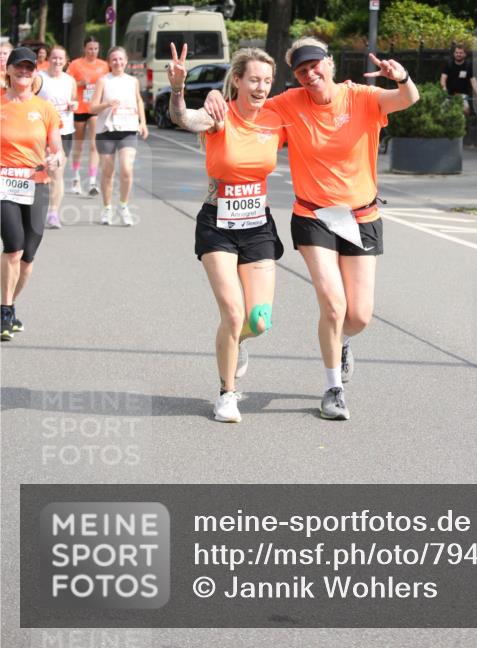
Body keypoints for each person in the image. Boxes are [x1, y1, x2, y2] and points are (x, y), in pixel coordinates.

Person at [206, 37, 419, 421]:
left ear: (330, 63)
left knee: (359, 316)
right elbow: (246, 108)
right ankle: (333, 389)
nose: (310, 74)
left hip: (362, 216)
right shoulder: (287, 104)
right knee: (333, 304)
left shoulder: (363, 97)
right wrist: (212, 98)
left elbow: (408, 99)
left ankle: (343, 342)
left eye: (315, 66)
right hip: (314, 215)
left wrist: (401, 76)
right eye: (301, 71)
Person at [168, 43, 284, 424]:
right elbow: (183, 118)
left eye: (267, 80)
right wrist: (178, 88)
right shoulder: (220, 115)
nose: (261, 87)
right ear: (237, 80)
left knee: (259, 321)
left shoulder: (275, 118)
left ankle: (235, 345)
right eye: (253, 79)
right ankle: (226, 394)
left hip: (257, 227)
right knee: (233, 314)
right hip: (217, 224)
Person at [1, 47, 63, 340]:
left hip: (36, 183)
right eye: (19, 67)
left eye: (29, 68)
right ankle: (4, 311)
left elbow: (57, 148)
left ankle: (9, 305)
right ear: (9, 71)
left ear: (34, 72)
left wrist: (56, 159)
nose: (24, 72)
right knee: (12, 247)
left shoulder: (45, 109)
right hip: (4, 183)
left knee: (28, 256)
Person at [89, 46, 148, 227]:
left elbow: (138, 100)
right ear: (109, 62)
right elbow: (92, 108)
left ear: (126, 61)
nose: (118, 62)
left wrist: (143, 122)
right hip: (106, 131)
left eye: (121, 59)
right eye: (114, 59)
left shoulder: (132, 81)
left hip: (128, 129)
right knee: (108, 172)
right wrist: (107, 104)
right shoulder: (103, 81)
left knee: (126, 169)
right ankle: (107, 208)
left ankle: (123, 205)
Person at [38, 46, 78, 229]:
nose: (57, 61)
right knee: (42, 172)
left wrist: (73, 105)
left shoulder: (70, 80)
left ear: (66, 60)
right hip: (42, 132)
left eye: (60, 58)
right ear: (48, 59)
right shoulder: (39, 78)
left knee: (57, 172)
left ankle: (53, 213)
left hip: (64, 132)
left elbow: (74, 101)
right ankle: (35, 208)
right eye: (54, 58)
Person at [67, 36, 109, 196]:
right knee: (78, 144)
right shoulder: (76, 64)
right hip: (79, 108)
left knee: (93, 144)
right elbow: (67, 83)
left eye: (96, 49)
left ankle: (92, 180)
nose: (93, 51)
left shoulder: (104, 66)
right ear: (85, 48)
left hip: (94, 109)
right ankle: (76, 177)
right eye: (90, 48)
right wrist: (79, 84)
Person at [439, 41, 477, 116]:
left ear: (464, 54)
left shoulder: (468, 66)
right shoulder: (449, 64)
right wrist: (444, 88)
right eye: (457, 53)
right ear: (454, 54)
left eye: (460, 53)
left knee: (466, 110)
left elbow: (474, 81)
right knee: (441, 111)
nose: (458, 54)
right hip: (449, 95)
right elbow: (443, 78)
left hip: (462, 96)